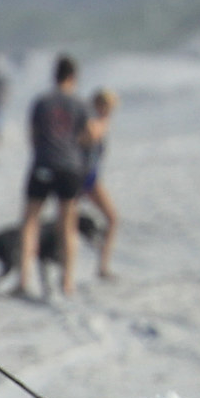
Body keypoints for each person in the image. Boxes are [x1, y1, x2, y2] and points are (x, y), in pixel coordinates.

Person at [14, 56, 92, 299]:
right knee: (67, 225)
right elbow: (88, 135)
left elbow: (33, 135)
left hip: (43, 164)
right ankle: (67, 281)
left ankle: (24, 279)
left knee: (30, 222)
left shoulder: (42, 102)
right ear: (73, 77)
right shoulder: (79, 103)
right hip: (69, 167)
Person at [83, 88, 121, 280]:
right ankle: (102, 267)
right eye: (110, 107)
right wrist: (105, 121)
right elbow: (91, 136)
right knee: (112, 218)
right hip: (84, 177)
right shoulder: (91, 119)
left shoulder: (93, 118)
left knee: (112, 219)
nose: (111, 111)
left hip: (90, 176)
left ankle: (102, 265)